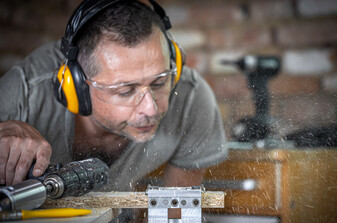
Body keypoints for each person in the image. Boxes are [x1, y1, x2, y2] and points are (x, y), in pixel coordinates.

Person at [0, 0, 226, 205]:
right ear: (76, 87)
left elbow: (175, 208)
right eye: (126, 90)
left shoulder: (191, 97)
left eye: (159, 83)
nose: (150, 108)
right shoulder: (24, 94)